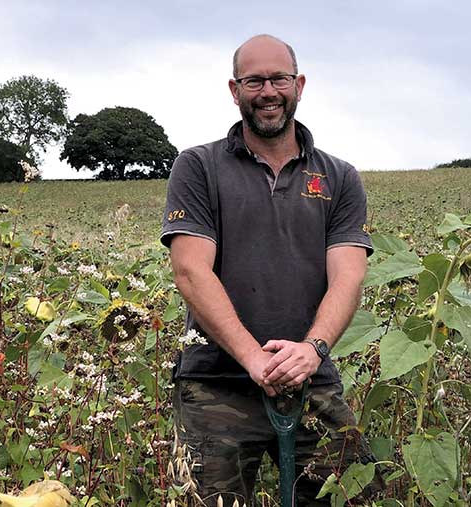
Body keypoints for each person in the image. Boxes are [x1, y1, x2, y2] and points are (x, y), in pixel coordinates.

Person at [160, 34, 381, 505]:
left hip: (312, 377)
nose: (268, 91)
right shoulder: (198, 167)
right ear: (234, 89)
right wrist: (253, 358)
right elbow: (191, 271)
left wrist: (312, 349)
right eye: (253, 80)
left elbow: (348, 276)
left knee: (352, 492)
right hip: (215, 384)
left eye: (278, 78)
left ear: (298, 84)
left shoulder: (339, 177)